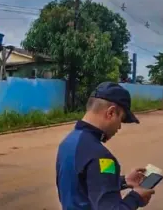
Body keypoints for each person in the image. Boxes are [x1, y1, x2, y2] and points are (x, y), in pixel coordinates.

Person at [56, 82, 155, 210]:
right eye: (121, 120)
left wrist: (123, 181)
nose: (119, 127)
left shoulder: (68, 141)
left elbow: (84, 184)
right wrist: (136, 198)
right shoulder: (101, 157)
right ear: (111, 112)